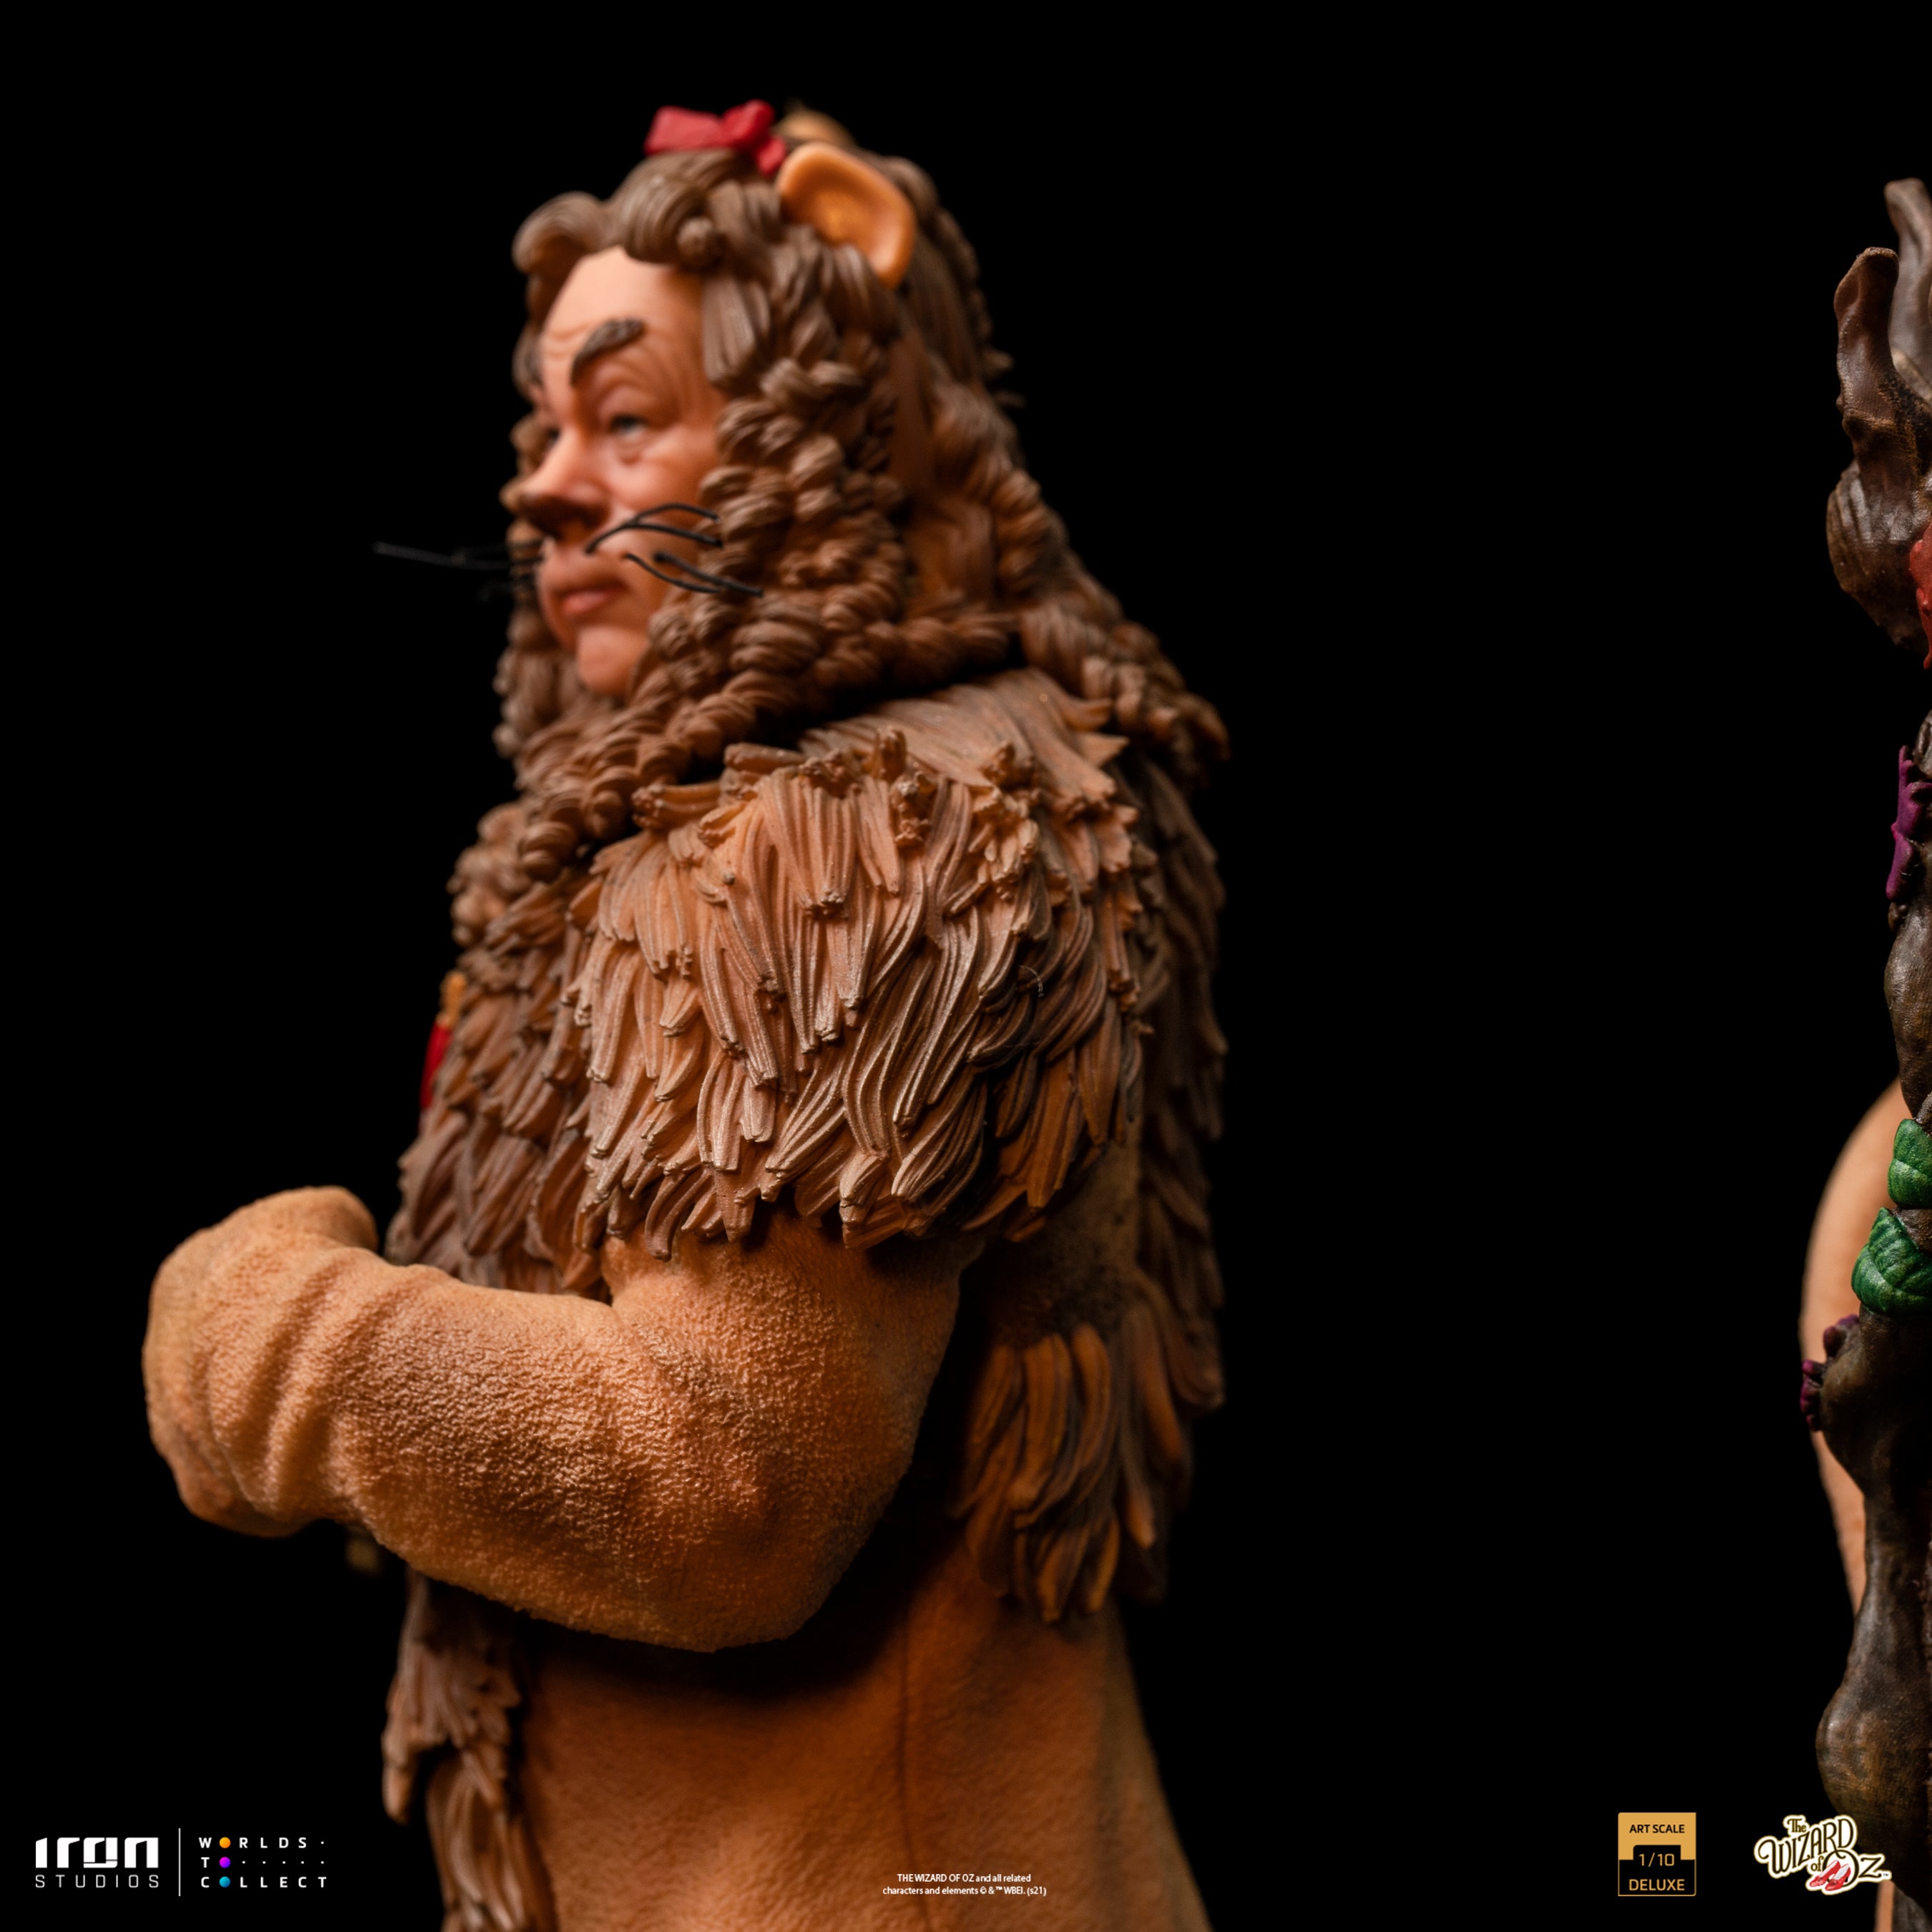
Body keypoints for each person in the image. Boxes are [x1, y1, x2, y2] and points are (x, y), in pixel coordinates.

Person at [143, 104, 1228, 1931]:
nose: (544, 487)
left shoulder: (841, 841)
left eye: (627, 418)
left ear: (828, 435)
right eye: (545, 424)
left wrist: (263, 1340)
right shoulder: (867, 797)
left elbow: (723, 1479)